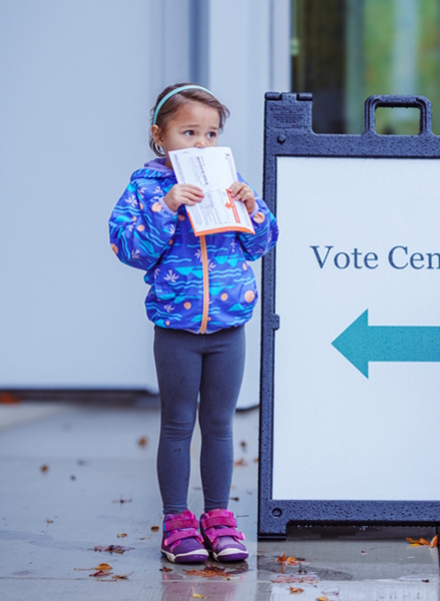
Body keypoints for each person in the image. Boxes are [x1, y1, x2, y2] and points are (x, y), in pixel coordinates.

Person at [109, 83, 279, 564]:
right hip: (177, 330)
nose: (202, 144)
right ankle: (176, 520)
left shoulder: (231, 180)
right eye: (189, 132)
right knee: (179, 424)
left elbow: (260, 244)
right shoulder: (145, 187)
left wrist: (253, 207)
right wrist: (166, 208)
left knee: (220, 426)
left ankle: (220, 517)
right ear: (159, 136)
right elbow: (129, 248)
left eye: (211, 133)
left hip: (229, 328)